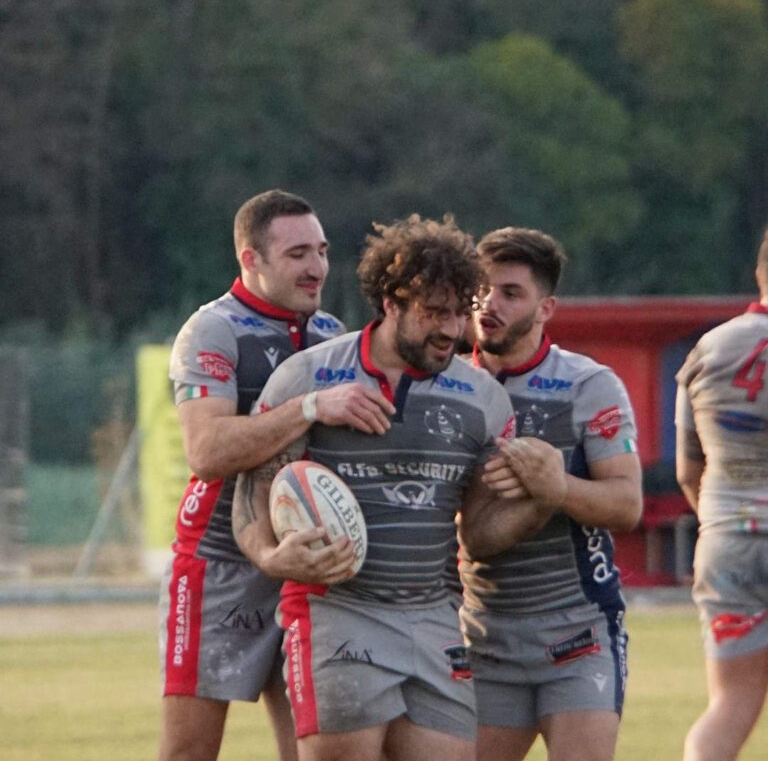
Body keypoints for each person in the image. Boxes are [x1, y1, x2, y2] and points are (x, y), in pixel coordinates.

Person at [231, 214, 548, 761]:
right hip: (338, 613)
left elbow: (479, 535)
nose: (452, 330)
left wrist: (545, 496)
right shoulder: (309, 377)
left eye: (460, 313)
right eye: (434, 312)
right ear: (392, 302)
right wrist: (271, 556)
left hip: (435, 620)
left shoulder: (484, 400)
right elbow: (251, 496)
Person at [158, 189, 395, 761]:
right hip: (220, 565)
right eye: (297, 254)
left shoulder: (332, 334)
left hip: (309, 564)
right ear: (251, 259)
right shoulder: (212, 331)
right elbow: (206, 451)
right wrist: (310, 406)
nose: (317, 267)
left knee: (314, 751)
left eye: (322, 251)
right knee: (189, 752)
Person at [458, 227, 643, 761]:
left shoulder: (589, 385)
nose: (489, 304)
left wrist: (556, 487)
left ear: (546, 308)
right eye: (481, 290)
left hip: (578, 634)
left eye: (510, 293)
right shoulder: (448, 386)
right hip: (482, 635)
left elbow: (626, 504)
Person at [675, 230, 768, 761]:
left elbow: (689, 470)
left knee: (730, 705)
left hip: (727, 542)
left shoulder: (708, 348)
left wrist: (725, 521)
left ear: (759, 273)